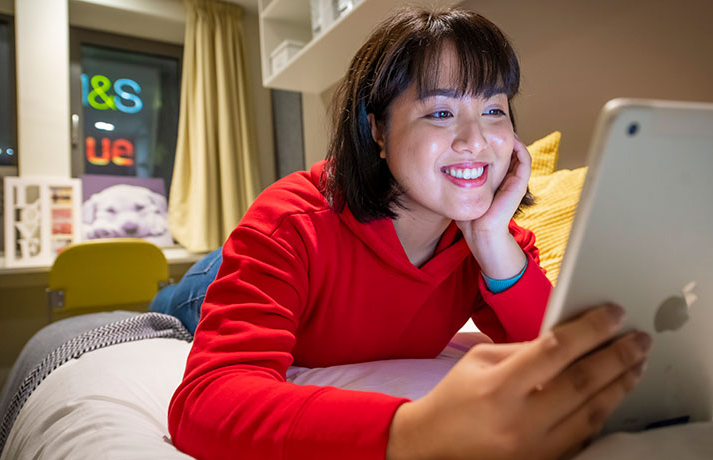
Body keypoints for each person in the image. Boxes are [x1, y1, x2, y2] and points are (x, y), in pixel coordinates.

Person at [167, 6, 652, 459]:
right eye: (441, 112)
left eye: (494, 110)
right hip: (207, 284)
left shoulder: (491, 238)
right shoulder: (290, 223)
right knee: (176, 301)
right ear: (377, 131)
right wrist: (411, 430)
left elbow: (551, 343)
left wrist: (488, 238)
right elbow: (204, 400)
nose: (476, 141)